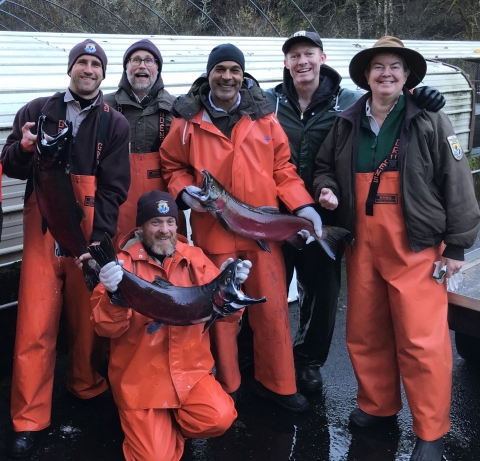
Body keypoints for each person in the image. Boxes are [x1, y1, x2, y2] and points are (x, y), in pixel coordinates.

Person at [313, 36, 480, 461]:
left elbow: (457, 182)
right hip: (362, 241)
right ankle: (377, 407)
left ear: (406, 76)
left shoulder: (429, 118)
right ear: (366, 76)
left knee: (422, 340)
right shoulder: (347, 120)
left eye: (395, 67)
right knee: (366, 332)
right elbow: (325, 168)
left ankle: (431, 430)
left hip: (416, 244)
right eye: (378, 67)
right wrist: (328, 190)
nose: (386, 73)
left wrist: (457, 247)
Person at [265, 30, 447, 394]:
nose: (302, 61)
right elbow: (227, 99)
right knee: (268, 293)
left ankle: (308, 361)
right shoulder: (267, 102)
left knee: (322, 295)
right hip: (274, 216)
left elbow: (388, 98)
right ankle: (265, 360)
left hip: (327, 219)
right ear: (286, 62)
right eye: (295, 55)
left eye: (309, 54)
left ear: (322, 58)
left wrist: (419, 95)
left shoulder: (346, 103)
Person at [160, 43, 323, 412]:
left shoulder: (265, 117)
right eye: (220, 69)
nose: (227, 76)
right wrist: (182, 190)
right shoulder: (187, 120)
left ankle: (278, 384)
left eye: (234, 69)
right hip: (213, 233)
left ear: (243, 74)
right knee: (222, 313)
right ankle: (227, 387)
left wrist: (304, 206)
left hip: (262, 232)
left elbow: (283, 169)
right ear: (209, 73)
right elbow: (172, 165)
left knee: (272, 308)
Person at [1, 39, 131, 457]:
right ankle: (28, 417)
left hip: (87, 230)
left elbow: (114, 188)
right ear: (70, 68)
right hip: (42, 227)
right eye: (82, 62)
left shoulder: (115, 123)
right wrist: (23, 147)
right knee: (34, 324)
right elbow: (11, 164)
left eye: (95, 63)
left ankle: (86, 385)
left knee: (88, 316)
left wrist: (101, 236)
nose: (88, 69)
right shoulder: (38, 110)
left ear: (103, 73)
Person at [90, 190, 241, 461]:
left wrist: (232, 287)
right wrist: (114, 298)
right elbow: (104, 328)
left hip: (190, 375)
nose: (165, 230)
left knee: (220, 417)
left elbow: (228, 316)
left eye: (170, 222)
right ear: (141, 227)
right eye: (156, 222)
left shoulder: (195, 257)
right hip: (140, 382)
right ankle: (153, 429)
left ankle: (170, 425)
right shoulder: (120, 266)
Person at [103, 39, 186, 244]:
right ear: (126, 68)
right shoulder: (105, 107)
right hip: (116, 207)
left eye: (149, 60)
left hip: (163, 212)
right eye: (136, 60)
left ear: (157, 68)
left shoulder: (176, 108)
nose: (142, 65)